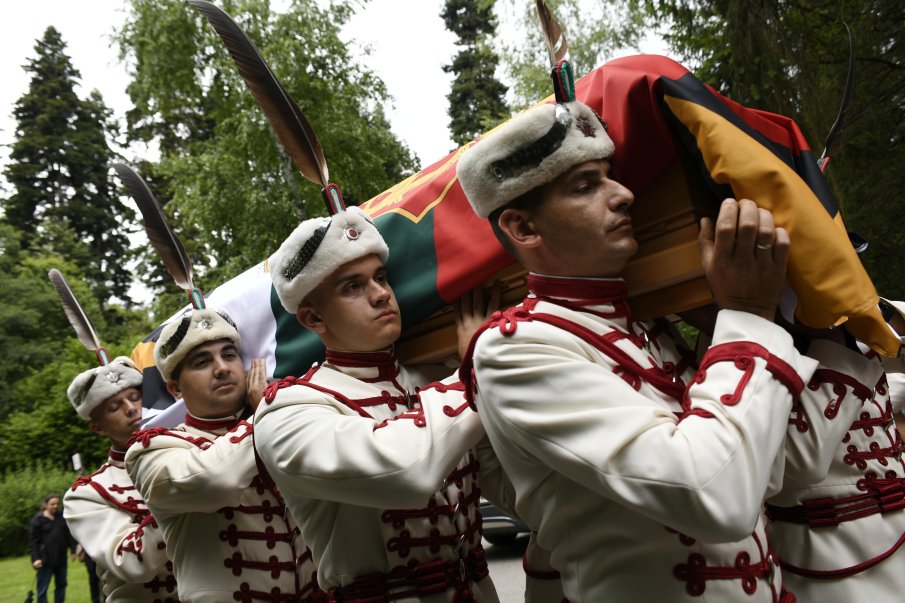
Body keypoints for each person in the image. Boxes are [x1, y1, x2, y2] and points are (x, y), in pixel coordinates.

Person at [455, 98, 820, 601]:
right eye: (586, 186)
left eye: (612, 176)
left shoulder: (653, 329)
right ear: (524, 228)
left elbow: (781, 474)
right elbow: (714, 495)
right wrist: (747, 318)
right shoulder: (515, 351)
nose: (625, 194)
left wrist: (723, 323)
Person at [255, 205, 503, 601]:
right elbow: (406, 472)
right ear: (313, 319)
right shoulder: (290, 410)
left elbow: (506, 486)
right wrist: (473, 371)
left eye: (381, 277)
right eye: (352, 286)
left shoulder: (432, 377)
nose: (380, 294)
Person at [126, 307, 320, 602]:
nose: (222, 368)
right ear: (175, 388)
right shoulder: (152, 451)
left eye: (230, 355)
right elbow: (214, 480)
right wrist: (265, 414)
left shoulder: (282, 421)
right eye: (202, 362)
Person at [763, 299, 905, 600]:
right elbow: (799, 464)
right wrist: (833, 341)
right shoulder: (737, 339)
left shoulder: (865, 311)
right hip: (828, 550)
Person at [62, 356, 178, 602]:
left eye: (135, 398)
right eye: (114, 407)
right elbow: (131, 562)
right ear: (99, 428)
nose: (130, 408)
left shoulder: (188, 451)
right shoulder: (85, 494)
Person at [28, 494, 76, 603]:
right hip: (44, 561)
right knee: (42, 589)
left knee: (61, 586)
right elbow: (33, 542)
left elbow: (68, 534)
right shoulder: (37, 520)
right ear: (45, 505)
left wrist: (73, 550)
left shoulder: (61, 517)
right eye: (52, 504)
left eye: (57, 504)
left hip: (61, 559)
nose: (55, 506)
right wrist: (35, 559)